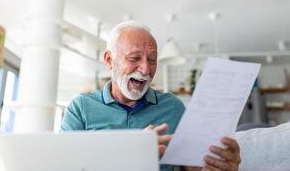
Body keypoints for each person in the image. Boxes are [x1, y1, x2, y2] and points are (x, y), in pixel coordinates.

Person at [61, 21, 241, 171]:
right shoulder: (81, 108)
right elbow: (63, 165)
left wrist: (219, 165)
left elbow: (190, 167)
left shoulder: (173, 107)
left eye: (152, 59)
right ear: (109, 60)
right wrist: (129, 154)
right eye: (134, 58)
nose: (146, 69)